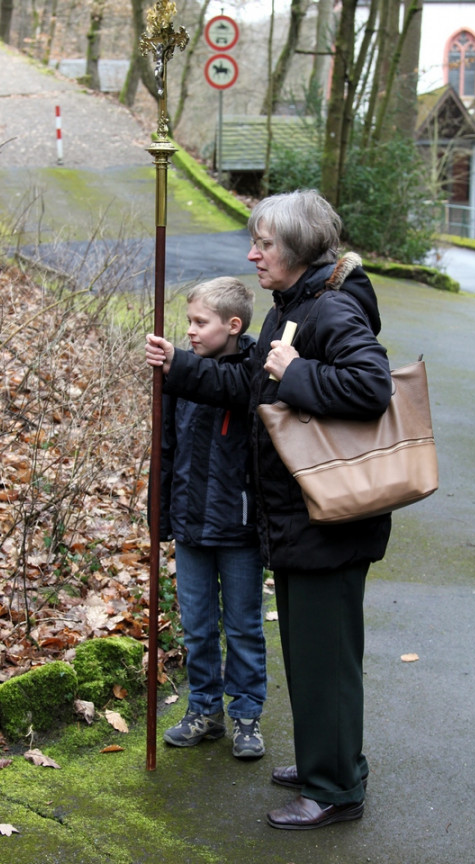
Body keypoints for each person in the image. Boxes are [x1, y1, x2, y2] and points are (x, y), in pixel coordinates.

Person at [146, 190, 392, 829]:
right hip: (303, 519)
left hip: (328, 519)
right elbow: (246, 386)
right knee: (315, 656)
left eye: (266, 244)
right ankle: (326, 762)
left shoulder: (331, 309)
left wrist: (297, 371)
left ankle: (335, 791)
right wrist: (179, 364)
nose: (253, 254)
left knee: (326, 659)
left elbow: (370, 387)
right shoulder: (297, 306)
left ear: (300, 250)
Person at [157, 277, 267, 759]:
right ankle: (203, 708)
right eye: (189, 322)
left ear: (234, 325)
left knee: (242, 626)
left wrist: (175, 366)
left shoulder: (254, 371)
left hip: (238, 528)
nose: (192, 332)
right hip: (191, 525)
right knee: (197, 625)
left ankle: (246, 715)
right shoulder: (182, 376)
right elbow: (166, 450)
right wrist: (161, 518)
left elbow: (232, 390)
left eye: (201, 323)